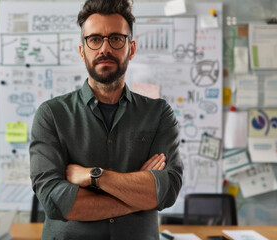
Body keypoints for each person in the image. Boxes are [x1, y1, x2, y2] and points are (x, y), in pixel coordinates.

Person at [29, 0, 183, 239]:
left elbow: (167, 190)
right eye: (94, 39)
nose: (104, 49)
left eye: (116, 38)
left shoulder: (159, 114)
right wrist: (137, 197)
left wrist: (94, 175)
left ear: (131, 48)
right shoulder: (52, 115)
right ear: (82, 51)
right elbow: (54, 200)